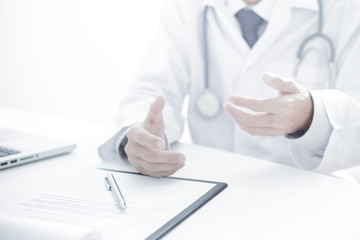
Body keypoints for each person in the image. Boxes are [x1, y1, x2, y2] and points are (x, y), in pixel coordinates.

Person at [99, 0, 360, 178]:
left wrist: (312, 116)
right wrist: (144, 138)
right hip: (213, 194)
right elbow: (151, 89)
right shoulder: (187, 8)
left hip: (313, 200)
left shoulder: (346, 9)